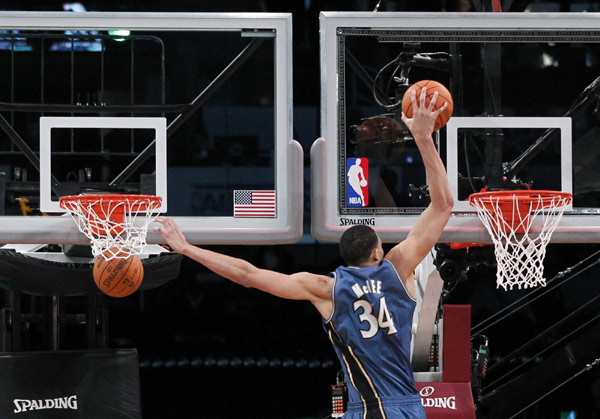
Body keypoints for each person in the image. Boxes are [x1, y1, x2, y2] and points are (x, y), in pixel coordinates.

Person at [154, 87, 453, 418]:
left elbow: (248, 275)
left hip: (367, 410)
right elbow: (443, 206)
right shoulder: (396, 269)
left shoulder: (328, 288)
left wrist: (186, 248)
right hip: (409, 408)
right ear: (377, 253)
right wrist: (423, 137)